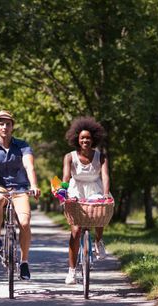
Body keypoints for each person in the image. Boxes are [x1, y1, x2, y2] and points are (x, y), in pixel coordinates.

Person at [0, 110, 41, 280]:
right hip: (1, 187)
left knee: (24, 222)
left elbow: (29, 167)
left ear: (12, 127)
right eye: (1, 123)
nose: (5, 126)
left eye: (8, 123)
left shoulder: (22, 146)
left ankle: (24, 262)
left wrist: (34, 185)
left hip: (20, 188)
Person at [62, 116, 111, 284]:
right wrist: (63, 190)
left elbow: (105, 177)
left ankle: (98, 240)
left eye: (88, 138)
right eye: (82, 137)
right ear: (77, 139)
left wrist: (105, 194)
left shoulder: (101, 157)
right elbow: (66, 177)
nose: (85, 140)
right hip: (76, 189)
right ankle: (71, 271)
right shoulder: (69, 157)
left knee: (99, 212)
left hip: (95, 189)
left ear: (93, 139)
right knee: (75, 231)